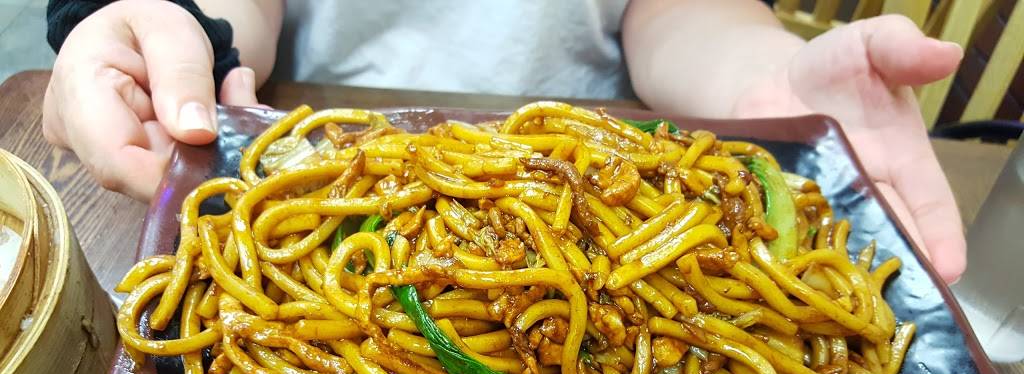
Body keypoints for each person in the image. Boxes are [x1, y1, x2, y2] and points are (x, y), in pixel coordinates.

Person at [41, 0, 966, 282]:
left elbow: (682, 13)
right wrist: (176, 33)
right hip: (328, 183)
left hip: (599, 175)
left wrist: (768, 87)